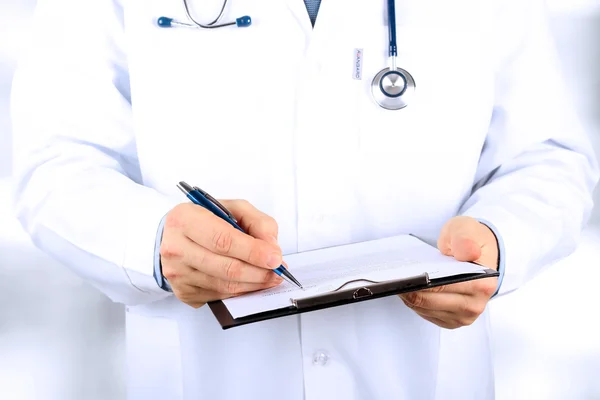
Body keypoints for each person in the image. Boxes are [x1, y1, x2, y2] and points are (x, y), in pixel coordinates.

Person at [10, 0, 598, 398]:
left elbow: (547, 157)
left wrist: (499, 241)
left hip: (421, 374)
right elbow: (54, 163)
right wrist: (150, 241)